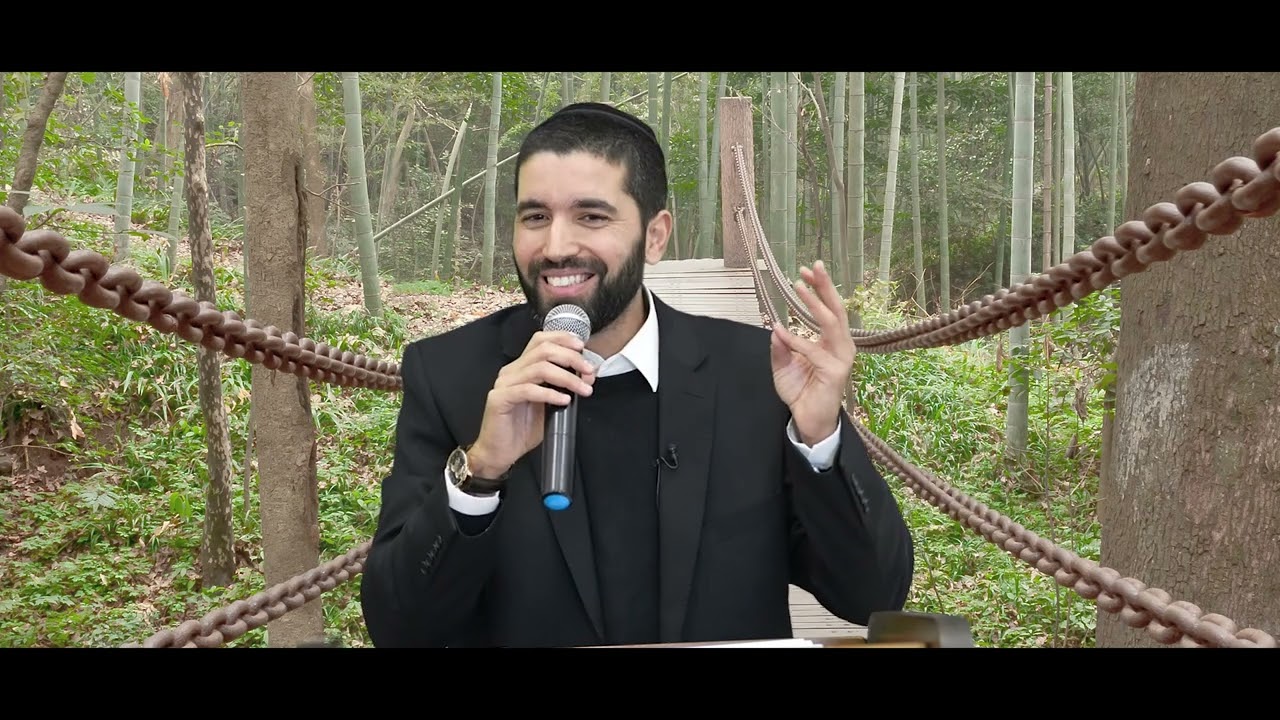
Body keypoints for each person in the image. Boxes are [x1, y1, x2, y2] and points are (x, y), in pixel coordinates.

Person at [359, 101, 914, 648]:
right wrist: (481, 471)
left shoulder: (757, 374)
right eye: (535, 217)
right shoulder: (451, 375)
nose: (556, 247)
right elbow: (399, 629)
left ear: (655, 235)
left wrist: (820, 438)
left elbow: (872, 596)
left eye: (591, 216)